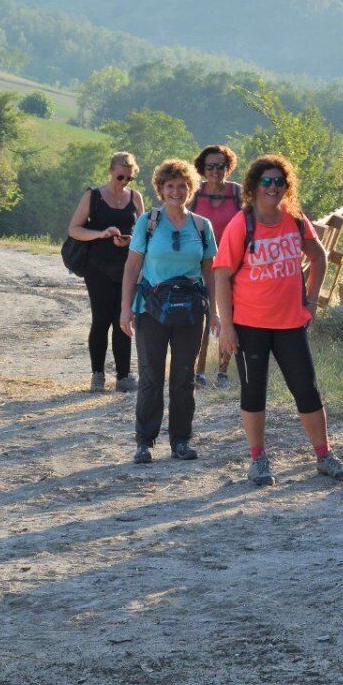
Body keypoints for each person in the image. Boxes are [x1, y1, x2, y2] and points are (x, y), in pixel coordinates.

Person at [214, 154, 343, 486]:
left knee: (306, 388)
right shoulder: (242, 224)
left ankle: (324, 456)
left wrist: (312, 298)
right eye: (267, 181)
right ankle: (258, 460)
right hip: (250, 324)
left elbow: (318, 256)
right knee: (253, 392)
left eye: (280, 181)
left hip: (291, 322)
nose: (274, 187)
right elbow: (222, 276)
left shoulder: (294, 220)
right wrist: (227, 326)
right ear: (253, 186)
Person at [120, 159, 218, 464]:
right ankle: (144, 443)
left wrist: (214, 312)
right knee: (150, 375)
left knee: (183, 376)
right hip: (151, 309)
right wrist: (125, 309)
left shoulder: (202, 226)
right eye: (170, 186)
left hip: (190, 311)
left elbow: (210, 272)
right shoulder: (147, 223)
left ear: (190, 189)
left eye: (182, 186)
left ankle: (180, 441)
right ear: (161, 189)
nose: (176, 191)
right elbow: (132, 266)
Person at [67, 151, 144, 393]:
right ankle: (97, 375)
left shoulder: (136, 198)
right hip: (97, 266)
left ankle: (123, 375)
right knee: (101, 319)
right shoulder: (94, 196)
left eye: (129, 179)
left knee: (123, 319)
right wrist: (100, 234)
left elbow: (144, 233)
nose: (124, 183)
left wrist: (131, 239)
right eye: (120, 176)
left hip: (127, 266)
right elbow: (74, 230)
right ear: (111, 171)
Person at [189, 145, 242, 389]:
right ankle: (198, 371)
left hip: (233, 264)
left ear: (227, 167)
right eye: (210, 166)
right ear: (202, 168)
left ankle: (223, 371)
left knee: (229, 316)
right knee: (204, 317)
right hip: (202, 264)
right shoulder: (194, 194)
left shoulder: (238, 193)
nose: (215, 171)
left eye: (220, 166)